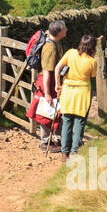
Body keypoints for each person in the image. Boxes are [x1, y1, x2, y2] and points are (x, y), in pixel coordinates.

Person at [54, 33, 99, 162]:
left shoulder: (71, 53)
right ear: (92, 47)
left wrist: (58, 84)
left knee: (67, 121)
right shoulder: (92, 62)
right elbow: (92, 76)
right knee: (79, 122)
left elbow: (57, 68)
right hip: (82, 93)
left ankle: (64, 152)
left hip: (67, 91)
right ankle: (75, 151)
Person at [26, 18, 67, 147]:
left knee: (58, 110)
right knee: (47, 111)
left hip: (53, 80)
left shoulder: (54, 39)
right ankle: (45, 142)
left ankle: (59, 139)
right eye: (64, 29)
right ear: (59, 32)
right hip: (47, 82)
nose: (67, 30)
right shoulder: (50, 48)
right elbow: (47, 72)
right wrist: (48, 94)